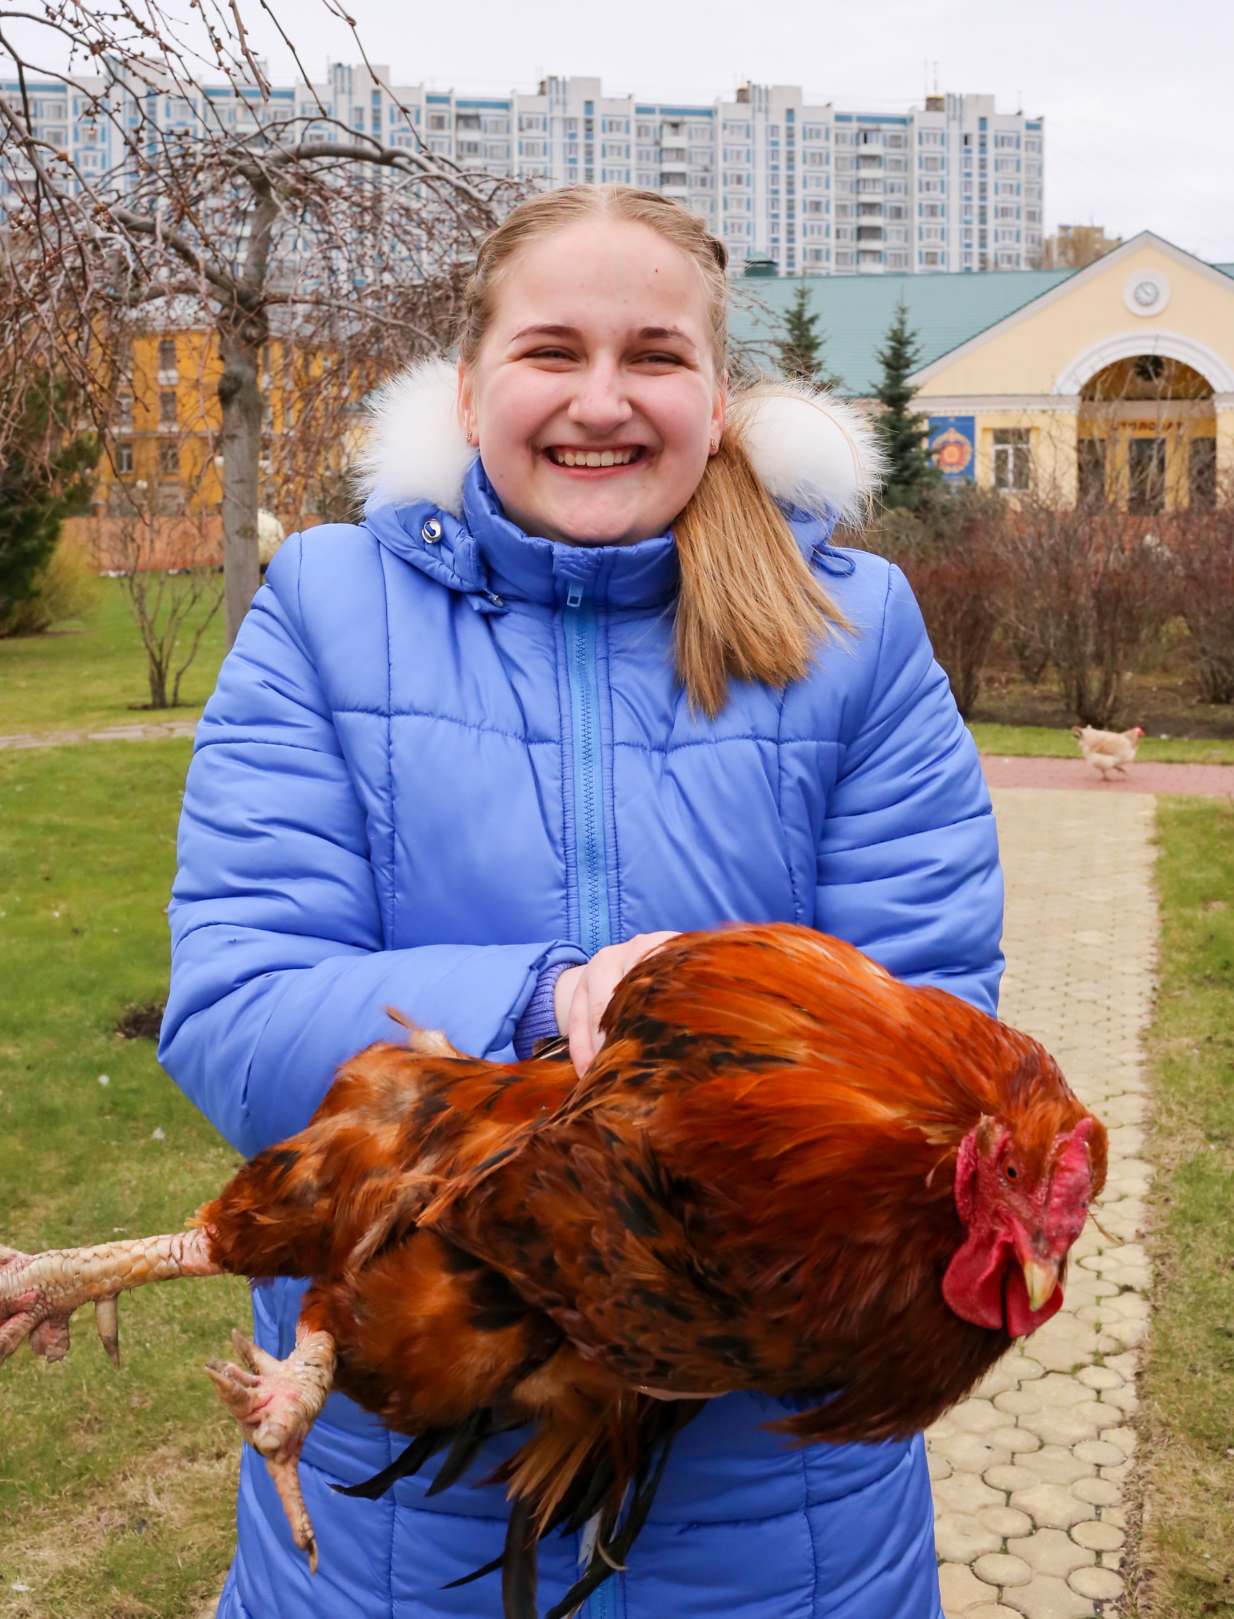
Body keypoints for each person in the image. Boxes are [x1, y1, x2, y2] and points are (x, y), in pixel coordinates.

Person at [162, 185, 1002, 1619]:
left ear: (720, 398)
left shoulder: (855, 634)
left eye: (655, 356)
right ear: (472, 384)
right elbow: (240, 1015)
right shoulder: (321, 608)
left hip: (773, 1532)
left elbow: (939, 1058)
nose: (601, 401)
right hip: (405, 1524)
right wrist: (550, 1004)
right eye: (553, 350)